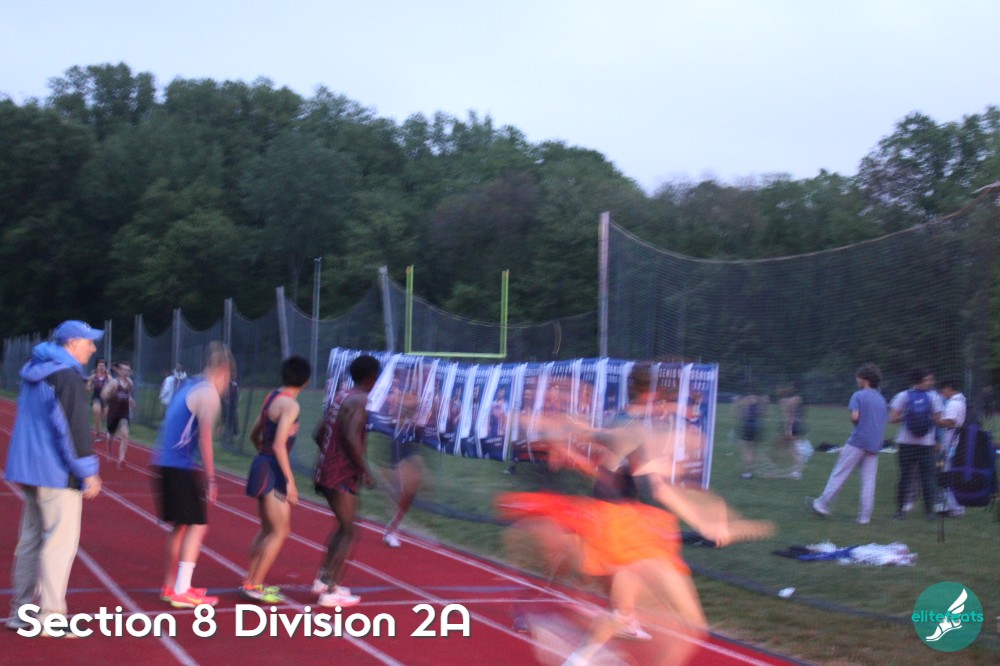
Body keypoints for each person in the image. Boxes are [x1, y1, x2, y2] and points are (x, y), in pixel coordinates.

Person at [5, 321, 104, 633]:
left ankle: (21, 611)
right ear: (72, 342)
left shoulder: (35, 370)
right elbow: (71, 430)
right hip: (55, 473)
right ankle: (50, 617)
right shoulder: (66, 376)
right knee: (59, 544)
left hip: (28, 469)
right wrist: (88, 472)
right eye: (89, 342)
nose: (93, 348)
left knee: (30, 541)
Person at [152, 342, 233, 609]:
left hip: (165, 461)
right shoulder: (208, 393)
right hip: (179, 464)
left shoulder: (189, 386)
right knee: (198, 524)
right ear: (222, 371)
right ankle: (182, 589)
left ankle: (170, 585)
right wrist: (211, 478)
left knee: (181, 526)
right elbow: (205, 438)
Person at [311, 354, 380, 607]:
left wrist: (330, 455)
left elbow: (319, 432)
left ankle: (323, 580)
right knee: (349, 530)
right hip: (340, 473)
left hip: (326, 469)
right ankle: (331, 591)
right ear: (372, 377)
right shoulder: (360, 399)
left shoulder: (341, 396)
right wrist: (364, 470)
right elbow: (351, 437)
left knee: (343, 526)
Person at [242, 356, 311, 603]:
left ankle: (251, 581)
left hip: (263, 464)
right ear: (306, 381)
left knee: (268, 529)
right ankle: (254, 584)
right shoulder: (291, 406)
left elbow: (255, 433)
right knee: (281, 531)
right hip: (272, 469)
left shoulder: (271, 397)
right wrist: (290, 482)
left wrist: (262, 455)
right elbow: (280, 445)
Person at [810, 363, 889, 525]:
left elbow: (855, 417)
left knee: (840, 472)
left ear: (865, 380)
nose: (857, 381)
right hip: (875, 444)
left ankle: (822, 504)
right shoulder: (882, 399)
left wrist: (856, 424)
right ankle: (864, 517)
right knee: (868, 481)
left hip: (858, 441)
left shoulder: (858, 395)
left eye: (858, 378)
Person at [889, 368, 943, 521]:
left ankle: (900, 512)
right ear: (921, 381)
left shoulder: (903, 395)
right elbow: (938, 420)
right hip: (926, 444)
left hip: (906, 443)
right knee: (928, 478)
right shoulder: (934, 397)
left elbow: (892, 419)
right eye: (926, 379)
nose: (929, 382)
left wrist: (906, 416)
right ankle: (929, 513)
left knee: (905, 478)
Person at [936, 377, 967, 517]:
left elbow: (949, 422)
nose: (943, 394)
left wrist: (936, 419)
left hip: (950, 443)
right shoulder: (961, 400)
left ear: (948, 388)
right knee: (951, 474)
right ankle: (954, 506)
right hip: (955, 442)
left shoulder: (954, 403)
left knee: (948, 475)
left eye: (943, 390)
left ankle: (954, 508)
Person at [102, 360, 135, 470]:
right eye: (124, 370)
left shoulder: (130, 383)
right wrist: (108, 402)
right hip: (113, 412)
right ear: (119, 371)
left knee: (124, 433)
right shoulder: (114, 383)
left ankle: (121, 459)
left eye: (128, 370)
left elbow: (128, 395)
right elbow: (104, 394)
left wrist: (130, 400)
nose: (126, 372)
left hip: (124, 412)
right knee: (111, 435)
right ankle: (109, 450)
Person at [86, 358, 111, 444]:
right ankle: (98, 434)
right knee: (97, 412)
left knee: (104, 415)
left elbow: (114, 386)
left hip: (105, 399)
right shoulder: (93, 377)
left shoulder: (109, 377)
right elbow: (88, 387)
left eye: (103, 366)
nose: (101, 367)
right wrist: (88, 387)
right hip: (96, 397)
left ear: (105, 367)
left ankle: (97, 426)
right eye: (100, 365)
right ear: (97, 367)